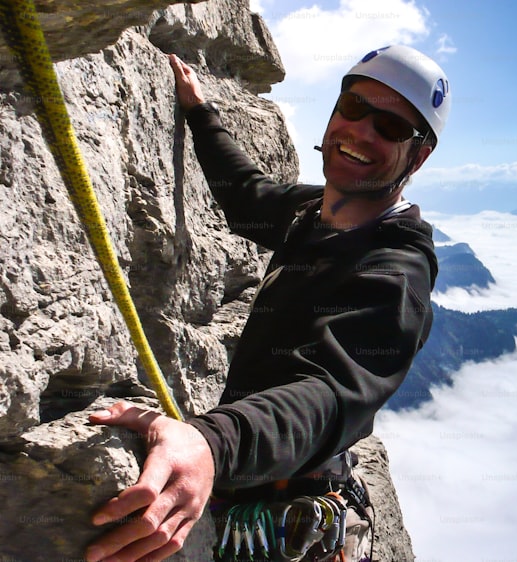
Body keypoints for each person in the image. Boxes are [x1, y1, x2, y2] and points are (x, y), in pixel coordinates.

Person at [84, 45, 449, 562]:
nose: (362, 131)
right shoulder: (316, 213)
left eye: (391, 128)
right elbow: (247, 196)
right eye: (353, 107)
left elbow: (331, 392)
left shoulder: (398, 268)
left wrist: (212, 444)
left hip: (286, 516)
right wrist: (198, 111)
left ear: (420, 154)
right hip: (255, 489)